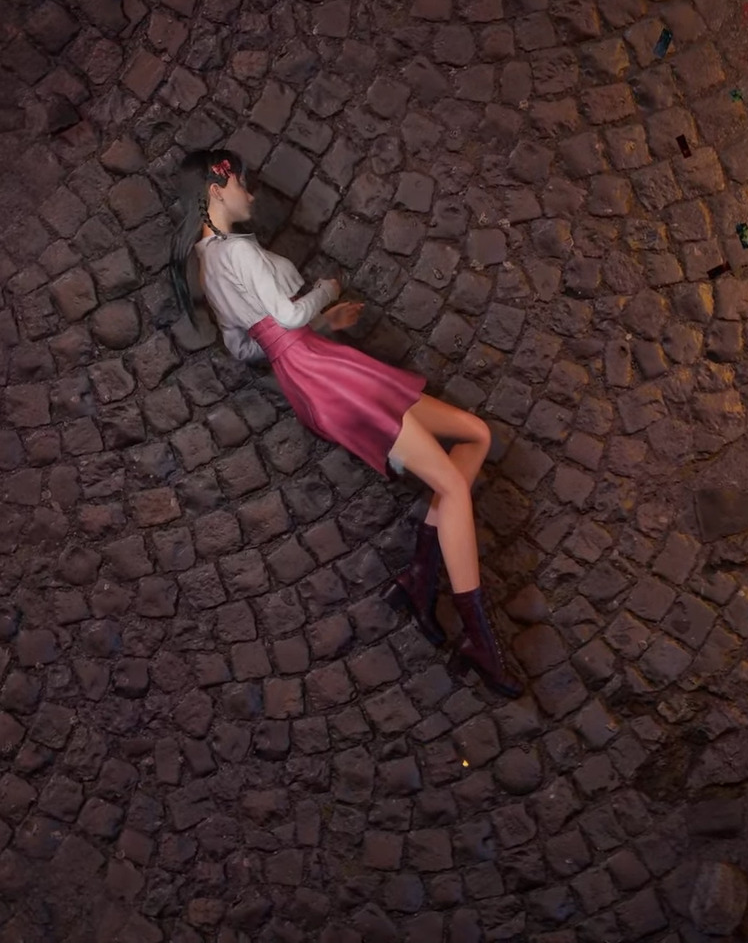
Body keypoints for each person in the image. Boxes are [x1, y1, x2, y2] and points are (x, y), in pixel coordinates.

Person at [164, 148, 524, 698]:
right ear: (216, 190)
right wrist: (326, 292)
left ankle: (419, 580)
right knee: (451, 482)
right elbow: (285, 317)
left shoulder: (209, 265)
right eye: (242, 183)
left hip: (313, 371)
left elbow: (246, 346)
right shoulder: (235, 253)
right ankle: (479, 641)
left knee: (475, 435)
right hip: (326, 377)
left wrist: (319, 327)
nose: (250, 194)